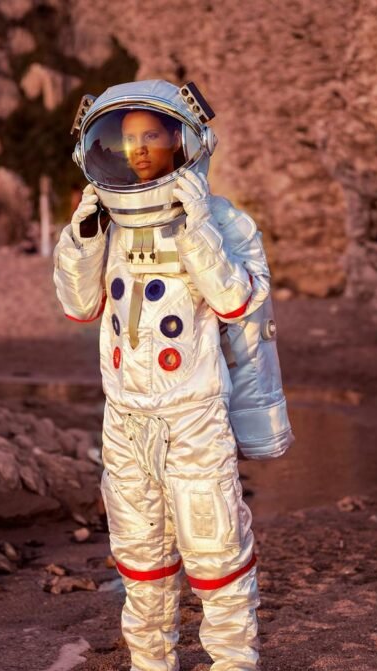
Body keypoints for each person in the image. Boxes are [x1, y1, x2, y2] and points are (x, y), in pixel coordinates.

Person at [53, 80, 274, 671]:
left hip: (193, 414)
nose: (140, 150)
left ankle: (233, 663)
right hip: (125, 419)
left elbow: (235, 301)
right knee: (140, 556)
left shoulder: (226, 222)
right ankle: (151, 664)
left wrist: (196, 225)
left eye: (153, 135)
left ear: (186, 141)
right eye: (126, 140)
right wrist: (82, 233)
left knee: (216, 551)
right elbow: (78, 306)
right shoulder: (106, 222)